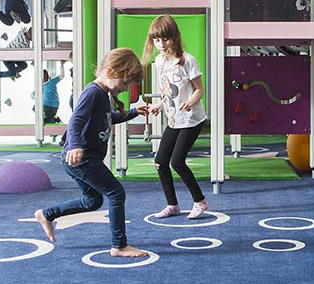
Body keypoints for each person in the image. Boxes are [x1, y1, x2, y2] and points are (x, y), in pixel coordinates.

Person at [35, 48, 149, 258]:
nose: (125, 89)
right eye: (125, 83)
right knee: (116, 193)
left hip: (84, 158)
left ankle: (47, 214)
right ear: (111, 70)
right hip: (81, 158)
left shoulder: (103, 93)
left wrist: (132, 113)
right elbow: (76, 120)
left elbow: (107, 118)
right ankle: (119, 246)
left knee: (92, 201)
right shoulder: (93, 92)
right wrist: (75, 145)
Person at [141, 15, 208, 219]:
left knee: (177, 161)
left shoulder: (187, 60)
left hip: (191, 120)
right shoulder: (160, 61)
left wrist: (191, 102)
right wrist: (160, 105)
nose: (161, 44)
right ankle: (172, 205)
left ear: (175, 37)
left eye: (166, 39)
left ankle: (200, 201)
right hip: (173, 120)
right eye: (157, 40)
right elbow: (168, 91)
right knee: (160, 161)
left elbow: (199, 90)